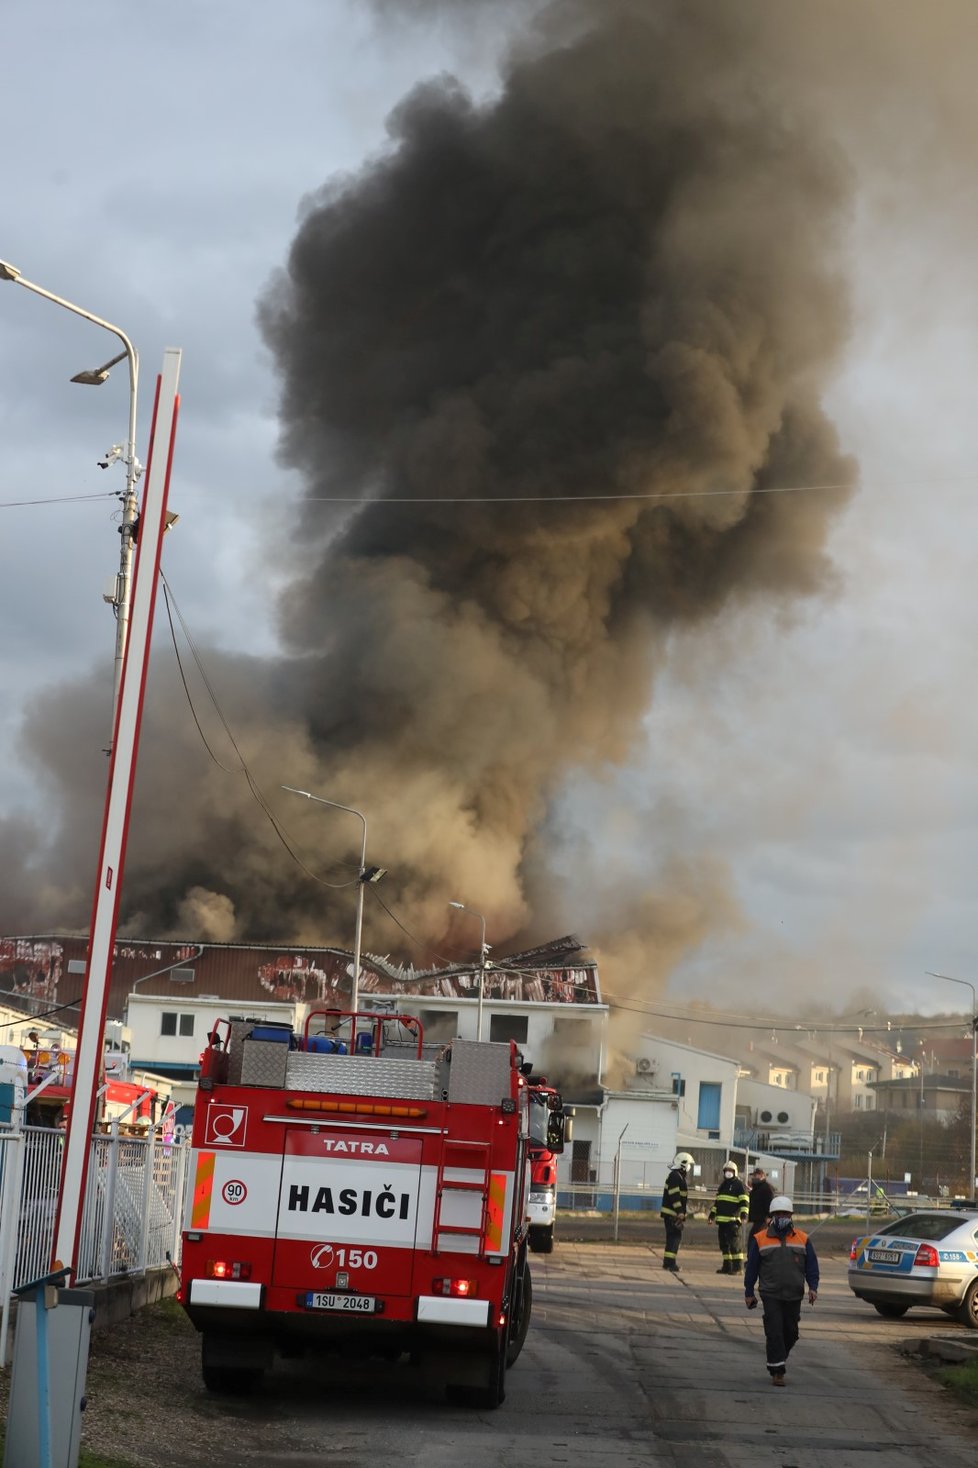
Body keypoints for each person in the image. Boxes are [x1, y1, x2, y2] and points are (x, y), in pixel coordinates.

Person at [743, 1195, 819, 1387]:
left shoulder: (803, 1239)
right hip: (770, 1293)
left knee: (791, 1332)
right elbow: (752, 1267)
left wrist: (813, 1288)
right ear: (772, 1216)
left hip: (794, 1294)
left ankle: (776, 1359)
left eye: (785, 1213)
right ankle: (778, 1371)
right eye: (778, 1214)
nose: (782, 1216)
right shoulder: (760, 1239)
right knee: (775, 1330)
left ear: (791, 1215)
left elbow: (811, 1266)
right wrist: (749, 1291)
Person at [708, 1161, 749, 1274]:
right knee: (724, 1246)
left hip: (733, 1221)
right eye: (726, 1171)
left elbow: (744, 1201)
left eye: (730, 1171)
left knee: (735, 1245)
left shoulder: (739, 1185)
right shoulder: (723, 1185)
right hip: (722, 1221)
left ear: (735, 1172)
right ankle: (727, 1267)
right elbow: (718, 1203)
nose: (728, 1173)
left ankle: (738, 1268)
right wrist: (712, 1215)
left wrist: (744, 1215)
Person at [660, 1152, 694, 1272]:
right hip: (672, 1214)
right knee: (674, 1238)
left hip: (671, 1213)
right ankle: (670, 1264)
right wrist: (680, 1212)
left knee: (672, 1238)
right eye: (689, 1164)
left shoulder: (677, 1176)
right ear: (683, 1164)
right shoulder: (675, 1176)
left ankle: (667, 1263)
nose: (689, 1167)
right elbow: (675, 1195)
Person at [746, 1166, 774, 1252]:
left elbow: (770, 1203)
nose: (754, 1177)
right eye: (754, 1175)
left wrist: (769, 1216)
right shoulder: (756, 1189)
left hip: (763, 1220)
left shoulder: (766, 1188)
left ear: (762, 1176)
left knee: (754, 1241)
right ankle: (752, 1260)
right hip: (757, 1219)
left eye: (757, 1175)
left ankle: (753, 1261)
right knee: (754, 1241)